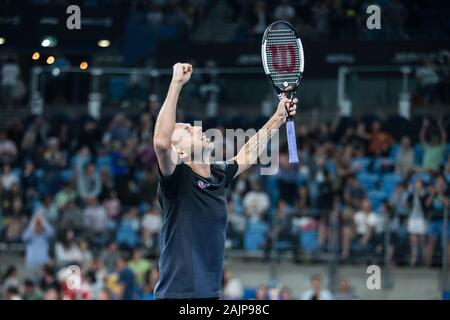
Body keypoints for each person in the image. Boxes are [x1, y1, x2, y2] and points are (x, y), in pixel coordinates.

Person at [152, 63, 297, 299]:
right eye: (186, 131)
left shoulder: (218, 174)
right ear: (179, 153)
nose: (195, 128)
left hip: (210, 294)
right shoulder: (176, 180)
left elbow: (248, 154)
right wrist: (176, 84)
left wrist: (278, 118)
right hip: (177, 295)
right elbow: (160, 143)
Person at [22, 213, 54, 280]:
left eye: (40, 224)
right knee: (30, 282)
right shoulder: (30, 235)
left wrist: (43, 221)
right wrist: (33, 224)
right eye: (37, 224)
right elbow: (24, 238)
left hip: (43, 265)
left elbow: (51, 233)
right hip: (31, 264)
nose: (39, 226)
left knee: (41, 284)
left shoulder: (45, 236)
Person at [406, 179, 428, 266]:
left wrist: (418, 194)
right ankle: (413, 259)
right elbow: (407, 204)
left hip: (422, 219)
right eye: (416, 184)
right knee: (413, 241)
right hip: (413, 219)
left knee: (422, 241)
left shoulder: (424, 194)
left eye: (418, 184)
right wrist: (411, 193)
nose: (417, 185)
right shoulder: (412, 194)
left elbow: (424, 205)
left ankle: (424, 259)